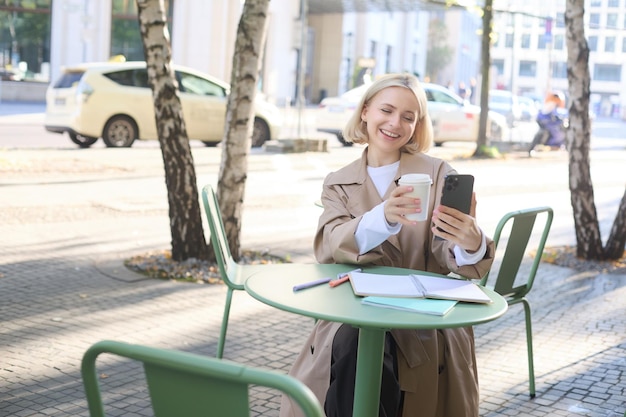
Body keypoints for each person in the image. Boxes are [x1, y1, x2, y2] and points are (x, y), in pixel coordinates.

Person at [279, 73, 495, 417]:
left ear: (418, 125)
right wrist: (383, 217)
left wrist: (470, 242)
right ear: (365, 111)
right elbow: (331, 245)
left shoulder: (437, 173)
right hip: (354, 311)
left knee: (380, 357)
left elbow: (447, 254)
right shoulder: (338, 183)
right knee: (354, 344)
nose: (396, 123)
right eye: (387, 110)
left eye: (409, 117)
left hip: (422, 316)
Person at [528, 91, 568, 156]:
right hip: (545, 122)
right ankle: (532, 149)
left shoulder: (554, 106)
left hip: (550, 123)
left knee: (561, 132)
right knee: (542, 133)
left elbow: (556, 115)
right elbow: (547, 114)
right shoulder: (550, 104)